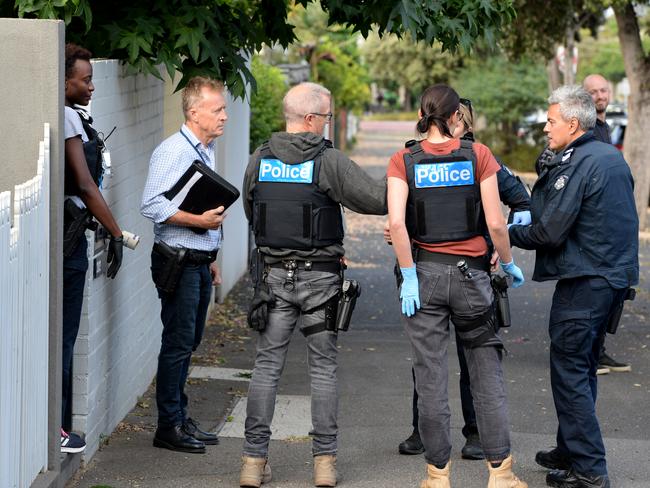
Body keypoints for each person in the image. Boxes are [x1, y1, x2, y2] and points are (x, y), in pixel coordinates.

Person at [239, 82, 386, 488]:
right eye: (325, 116)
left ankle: (253, 462)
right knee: (322, 368)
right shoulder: (328, 161)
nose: (327, 123)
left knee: (267, 367)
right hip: (321, 280)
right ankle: (324, 464)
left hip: (272, 281)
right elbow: (374, 199)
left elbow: (251, 209)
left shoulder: (260, 158)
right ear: (309, 119)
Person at [387, 84, 527, 488]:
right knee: (487, 376)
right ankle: (500, 474)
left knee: (430, 377)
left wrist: (409, 273)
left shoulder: (404, 160)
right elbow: (498, 222)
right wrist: (510, 262)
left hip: (425, 279)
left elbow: (397, 224)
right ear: (455, 118)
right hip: (473, 279)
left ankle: (437, 476)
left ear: (420, 112)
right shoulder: (477, 155)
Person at [509, 85, 638, 488]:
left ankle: (589, 470)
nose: (545, 129)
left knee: (569, 372)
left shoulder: (581, 163)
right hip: (611, 278)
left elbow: (548, 230)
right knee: (582, 369)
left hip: (588, 282)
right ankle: (571, 450)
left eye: (550, 122)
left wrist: (505, 232)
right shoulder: (606, 156)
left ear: (571, 122)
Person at [141, 76, 227, 454]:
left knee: (188, 342)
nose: (224, 115)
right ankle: (168, 426)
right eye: (218, 109)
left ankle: (180, 416)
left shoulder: (205, 150)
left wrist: (212, 256)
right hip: (177, 261)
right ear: (194, 113)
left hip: (198, 261)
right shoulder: (173, 151)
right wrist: (200, 225)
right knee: (177, 343)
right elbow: (152, 205)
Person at [62, 43, 124, 453]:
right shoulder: (65, 115)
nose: (91, 87)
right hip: (67, 242)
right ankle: (60, 429)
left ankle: (60, 427)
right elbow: (85, 184)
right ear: (63, 80)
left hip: (72, 236)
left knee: (66, 336)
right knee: (64, 337)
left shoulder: (75, 115)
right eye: (85, 80)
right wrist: (116, 233)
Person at [582, 73, 631, 375]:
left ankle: (598, 351)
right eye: (594, 92)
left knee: (615, 289)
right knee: (595, 290)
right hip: (592, 227)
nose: (600, 96)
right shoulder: (586, 130)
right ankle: (589, 354)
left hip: (611, 224)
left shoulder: (605, 127)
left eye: (604, 90)